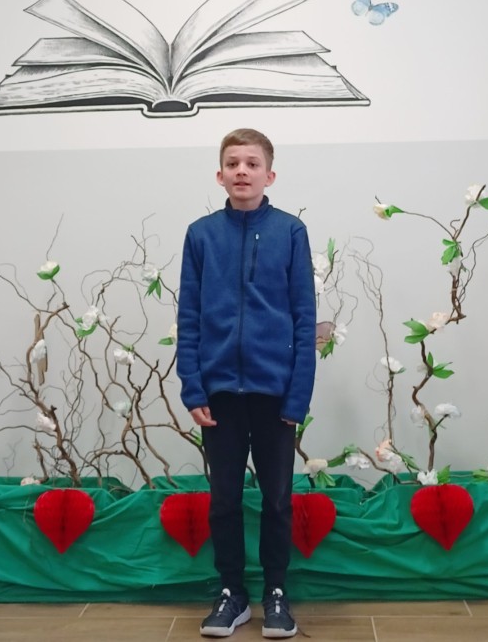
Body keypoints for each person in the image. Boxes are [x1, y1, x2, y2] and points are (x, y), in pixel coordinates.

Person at [177, 128, 316, 638]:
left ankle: (276, 592)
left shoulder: (290, 232)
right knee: (224, 500)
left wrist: (298, 395)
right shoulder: (201, 235)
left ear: (269, 175)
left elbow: (304, 318)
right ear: (219, 175)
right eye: (233, 163)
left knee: (277, 499)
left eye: (252, 163)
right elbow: (189, 316)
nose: (242, 171)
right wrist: (193, 387)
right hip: (219, 396)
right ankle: (231, 594)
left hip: (275, 394)